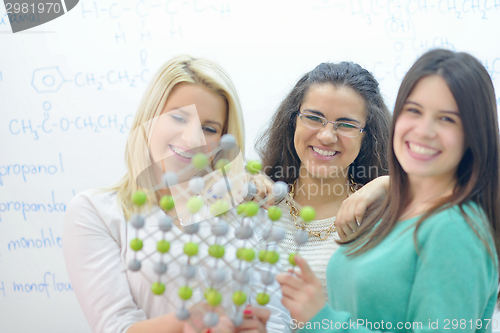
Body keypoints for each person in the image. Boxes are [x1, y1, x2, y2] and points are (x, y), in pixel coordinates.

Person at [277, 49, 500, 332]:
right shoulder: (397, 210)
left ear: (473, 134)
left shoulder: (455, 229)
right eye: (414, 111)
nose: (423, 130)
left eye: (447, 119)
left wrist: (323, 320)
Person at [63, 55, 280, 333]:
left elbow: (275, 318)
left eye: (209, 128)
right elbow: (114, 327)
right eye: (178, 117)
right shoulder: (95, 211)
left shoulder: (245, 209)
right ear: (150, 117)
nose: (191, 139)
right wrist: (190, 320)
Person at [254, 61, 391, 299]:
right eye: (314, 118)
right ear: (292, 121)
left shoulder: (378, 216)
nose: (326, 136)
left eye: (346, 124)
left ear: (367, 137)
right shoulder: (260, 199)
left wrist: (391, 184)